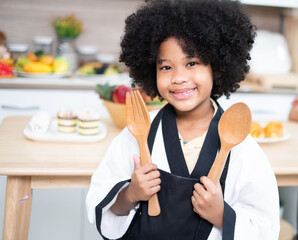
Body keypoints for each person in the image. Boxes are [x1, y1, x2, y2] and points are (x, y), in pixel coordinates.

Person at [86, 0, 280, 239]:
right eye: (166, 67)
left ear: (217, 68)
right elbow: (102, 203)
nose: (178, 78)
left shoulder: (240, 146)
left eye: (191, 63)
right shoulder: (139, 132)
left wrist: (220, 214)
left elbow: (265, 226)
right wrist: (130, 194)